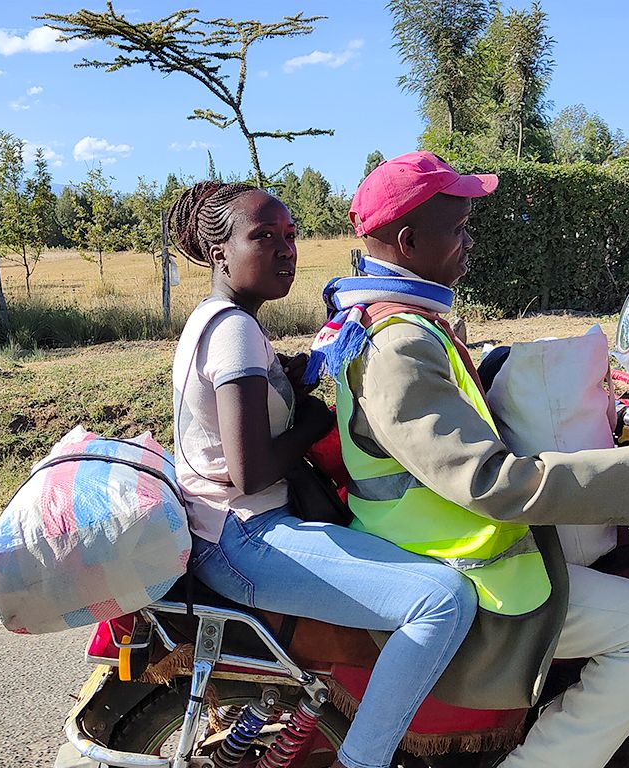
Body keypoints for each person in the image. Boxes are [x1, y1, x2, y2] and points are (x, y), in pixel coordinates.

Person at [308, 152, 629, 768]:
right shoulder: (400, 343)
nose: (470, 241)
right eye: (458, 229)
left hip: (448, 553)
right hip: (465, 571)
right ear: (409, 241)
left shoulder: (391, 321)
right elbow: (487, 480)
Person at [168, 180, 478, 768]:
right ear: (219, 254)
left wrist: (296, 380)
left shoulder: (225, 321)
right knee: (441, 599)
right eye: (263, 237)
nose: (285, 249)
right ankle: (362, 760)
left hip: (234, 528)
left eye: (291, 236)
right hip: (242, 534)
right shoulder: (232, 329)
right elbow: (250, 470)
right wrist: (314, 418)